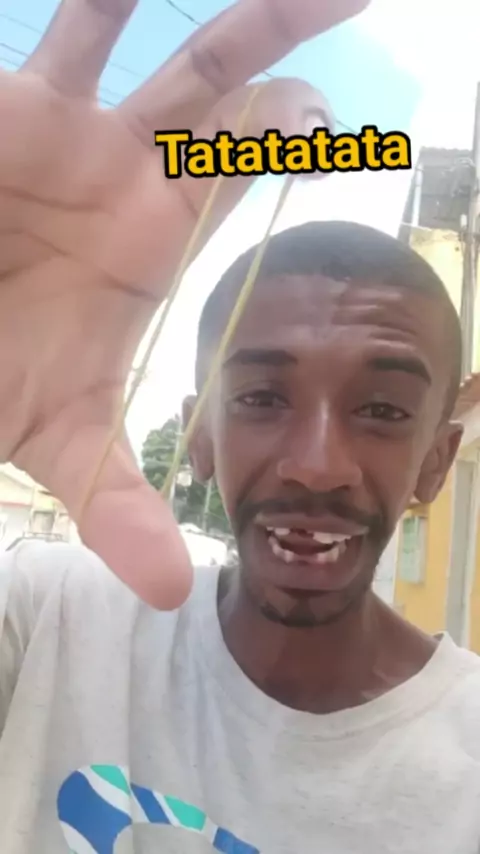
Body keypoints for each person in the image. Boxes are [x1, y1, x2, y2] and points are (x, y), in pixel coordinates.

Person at [1, 1, 480, 853]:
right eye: (262, 398)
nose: (317, 465)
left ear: (437, 461)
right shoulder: (47, 621)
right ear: (199, 436)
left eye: (382, 411)